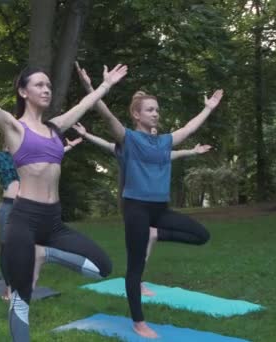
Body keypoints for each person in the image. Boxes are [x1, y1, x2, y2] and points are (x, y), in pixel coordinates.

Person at [0, 20, 126, 341]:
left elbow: (84, 106)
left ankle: (47, 253)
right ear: (23, 91)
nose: (46, 89)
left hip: (54, 222)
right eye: (39, 85)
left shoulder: (56, 128)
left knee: (102, 267)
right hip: (24, 219)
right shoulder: (14, 129)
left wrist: (106, 85)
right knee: (22, 297)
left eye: (48, 85)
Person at [74, 62, 222, 338]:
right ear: (136, 114)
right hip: (136, 209)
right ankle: (138, 321)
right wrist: (91, 88)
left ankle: (156, 233)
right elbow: (106, 117)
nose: (156, 114)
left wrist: (208, 109)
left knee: (201, 235)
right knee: (135, 268)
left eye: (157, 110)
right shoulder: (129, 139)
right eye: (150, 110)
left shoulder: (164, 142)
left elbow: (189, 129)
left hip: (160, 211)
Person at [71, 122, 212, 296]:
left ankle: (143, 268)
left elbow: (173, 153)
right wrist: (85, 134)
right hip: (134, 204)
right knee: (139, 251)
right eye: (150, 131)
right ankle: (137, 282)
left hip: (154, 206)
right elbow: (104, 143)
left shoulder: (158, 152)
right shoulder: (126, 148)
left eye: (155, 132)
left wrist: (191, 151)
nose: (153, 133)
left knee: (144, 248)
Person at [0, 137, 83, 300]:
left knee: (28, 247)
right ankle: (9, 287)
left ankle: (25, 282)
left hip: (27, 207)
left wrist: (68, 147)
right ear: (5, 145)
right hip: (8, 206)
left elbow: (50, 155)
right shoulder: (0, 157)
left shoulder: (28, 158)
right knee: (7, 248)